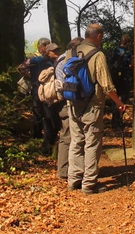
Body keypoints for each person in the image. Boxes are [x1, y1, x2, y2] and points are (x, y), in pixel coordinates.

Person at [67, 24, 126, 194]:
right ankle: (89, 184)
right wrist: (118, 102)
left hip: (72, 104)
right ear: (98, 36)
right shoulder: (97, 55)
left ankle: (74, 180)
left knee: (76, 142)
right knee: (92, 144)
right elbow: (106, 85)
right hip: (92, 106)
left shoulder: (70, 52)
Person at [55, 37, 83, 180]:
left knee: (70, 136)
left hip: (67, 102)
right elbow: (62, 85)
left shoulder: (62, 59)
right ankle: (64, 170)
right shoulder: (64, 60)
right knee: (67, 136)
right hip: (66, 103)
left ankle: (69, 168)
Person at [26, 37, 51, 146]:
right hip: (45, 89)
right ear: (42, 47)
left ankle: (38, 135)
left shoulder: (32, 59)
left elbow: (21, 68)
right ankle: (46, 135)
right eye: (47, 46)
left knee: (38, 111)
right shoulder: (46, 59)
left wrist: (30, 77)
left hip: (37, 87)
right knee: (45, 111)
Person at [110, 34, 133, 129]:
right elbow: (131, 65)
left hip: (115, 78)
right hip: (125, 79)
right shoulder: (128, 53)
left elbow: (111, 62)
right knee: (122, 99)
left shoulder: (115, 51)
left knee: (115, 98)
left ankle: (114, 121)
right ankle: (119, 120)